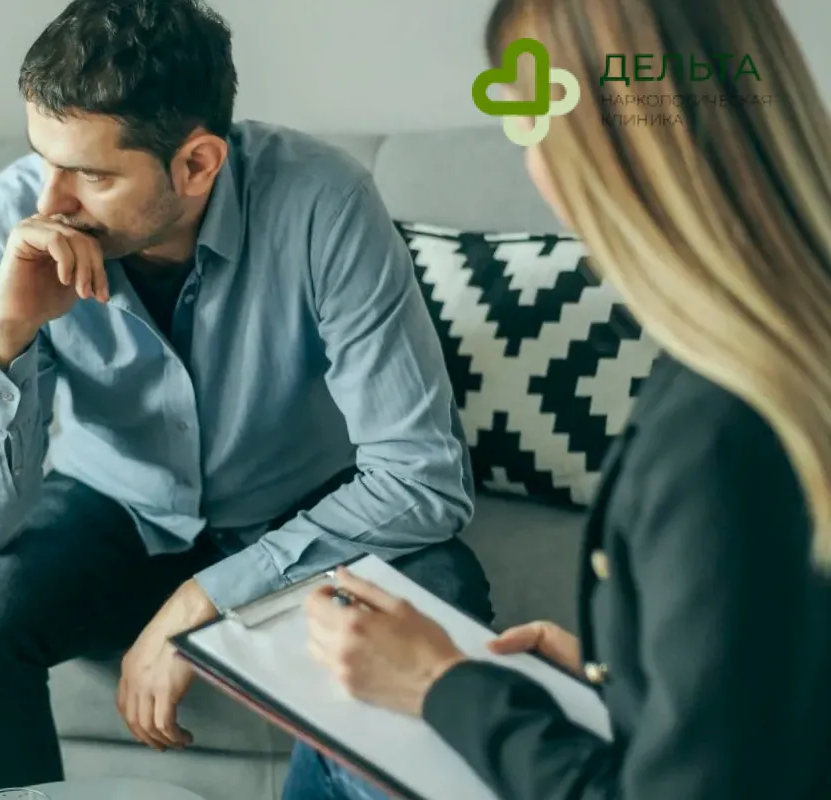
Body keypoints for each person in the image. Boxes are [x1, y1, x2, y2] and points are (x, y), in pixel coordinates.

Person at [0, 1, 494, 798]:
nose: (50, 201)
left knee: (445, 599)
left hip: (303, 503)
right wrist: (5, 333)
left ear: (197, 163)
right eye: (43, 158)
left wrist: (204, 599)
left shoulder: (323, 204)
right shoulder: (5, 228)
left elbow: (424, 479)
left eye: (93, 175)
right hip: (116, 507)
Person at [284, 1, 831, 799]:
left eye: (528, 115)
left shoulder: (716, 432)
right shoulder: (788, 355)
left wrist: (438, 684)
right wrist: (624, 678)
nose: (527, 155)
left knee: (340, 746)